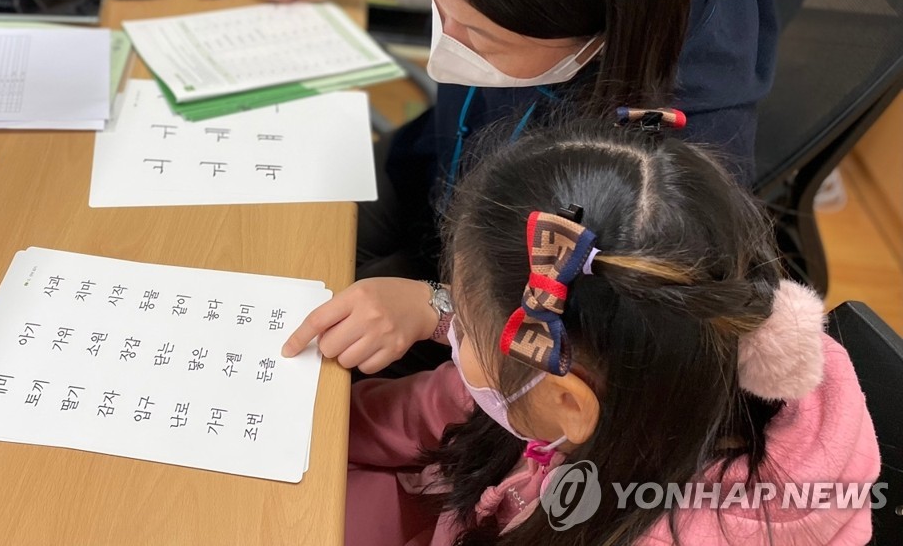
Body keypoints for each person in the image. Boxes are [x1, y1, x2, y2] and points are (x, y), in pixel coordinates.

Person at [259, 0, 778, 372]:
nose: (444, 45)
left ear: (596, 37)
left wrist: (440, 308)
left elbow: (614, 330)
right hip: (436, 182)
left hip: (506, 320)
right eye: (437, 5)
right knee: (275, 231)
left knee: (320, 361)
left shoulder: (667, 161)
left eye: (482, 37)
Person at [328, 120, 878, 546]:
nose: (447, 331)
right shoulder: (658, 360)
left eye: (463, 329)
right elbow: (446, 406)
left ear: (568, 401)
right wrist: (319, 423)